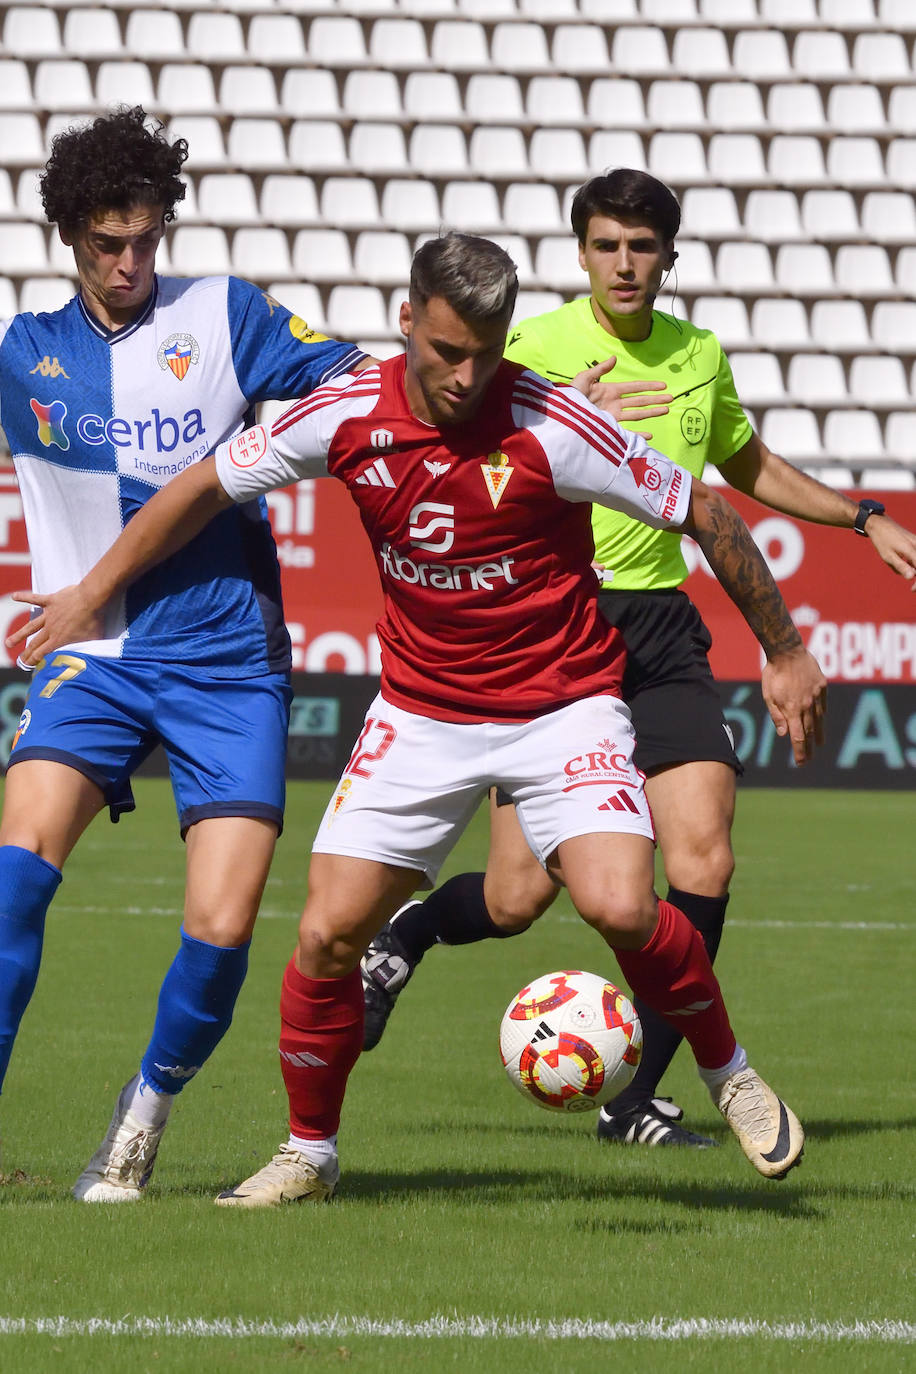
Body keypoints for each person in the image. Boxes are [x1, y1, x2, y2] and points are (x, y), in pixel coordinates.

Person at [14, 232, 827, 1205]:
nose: (466, 373)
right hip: (421, 712)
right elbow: (198, 484)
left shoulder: (551, 421)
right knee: (325, 936)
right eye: (447, 351)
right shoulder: (347, 415)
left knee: (617, 904)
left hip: (562, 705)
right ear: (407, 324)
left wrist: (782, 650)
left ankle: (726, 1072)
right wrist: (94, 590)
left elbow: (708, 512)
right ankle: (308, 1153)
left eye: (485, 350)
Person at [358, 168, 916, 1151]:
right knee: (516, 896)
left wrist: (860, 517)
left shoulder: (697, 355)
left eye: (643, 246)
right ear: (580, 253)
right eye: (607, 244)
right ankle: (404, 936)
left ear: (666, 255)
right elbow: (454, 443)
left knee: (703, 854)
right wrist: (549, 420)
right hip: (554, 629)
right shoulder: (527, 347)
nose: (625, 262)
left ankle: (634, 1099)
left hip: (658, 629)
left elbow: (741, 469)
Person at [0, 106, 368, 1202]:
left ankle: (144, 1111)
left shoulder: (226, 316)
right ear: (69, 236)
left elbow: (360, 389)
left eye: (146, 239)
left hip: (225, 661)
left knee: (218, 928)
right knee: (14, 879)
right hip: (93, 654)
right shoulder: (26, 351)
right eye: (107, 244)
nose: (128, 264)